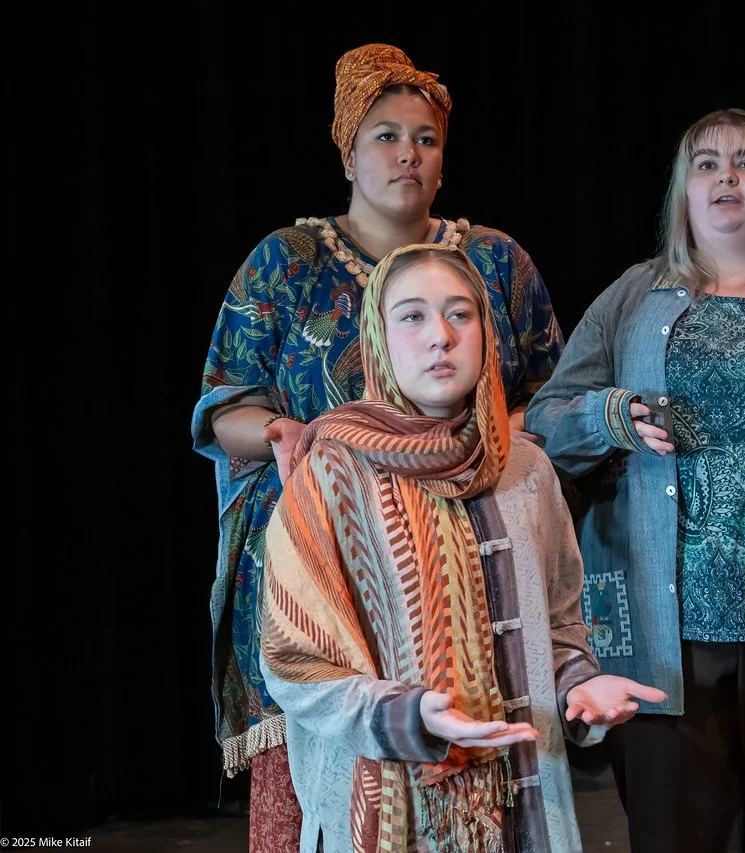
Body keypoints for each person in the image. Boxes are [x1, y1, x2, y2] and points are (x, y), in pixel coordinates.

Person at [190, 43, 562, 849]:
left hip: (457, 543)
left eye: (425, 138)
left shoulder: (492, 261)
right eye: (386, 135)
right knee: (320, 771)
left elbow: (546, 392)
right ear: (349, 150)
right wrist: (286, 432)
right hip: (320, 547)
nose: (407, 154)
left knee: (463, 741)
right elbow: (226, 405)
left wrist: (499, 442)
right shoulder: (286, 263)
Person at [525, 108, 745, 852]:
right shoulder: (634, 297)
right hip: (666, 624)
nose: (727, 178)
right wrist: (610, 414)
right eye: (707, 165)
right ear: (683, 191)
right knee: (679, 833)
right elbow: (542, 420)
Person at [260, 243, 663, 853]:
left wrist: (578, 685)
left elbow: (557, 624)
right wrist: (407, 715)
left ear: (486, 333)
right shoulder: (330, 476)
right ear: (378, 338)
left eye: (460, 314)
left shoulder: (526, 468)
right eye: (413, 316)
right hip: (394, 810)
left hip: (528, 802)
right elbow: (294, 661)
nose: (441, 336)